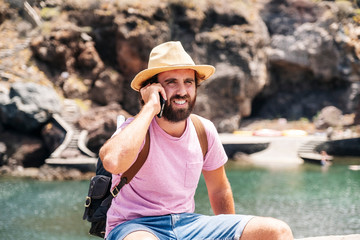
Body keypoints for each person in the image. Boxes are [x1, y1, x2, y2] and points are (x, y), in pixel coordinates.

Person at [99, 41, 294, 240]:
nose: (182, 91)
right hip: (135, 227)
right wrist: (150, 107)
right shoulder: (135, 130)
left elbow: (219, 189)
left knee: (277, 231)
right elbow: (113, 162)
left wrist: (230, 233)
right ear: (152, 88)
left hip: (187, 224)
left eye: (188, 82)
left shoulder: (203, 130)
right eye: (171, 82)